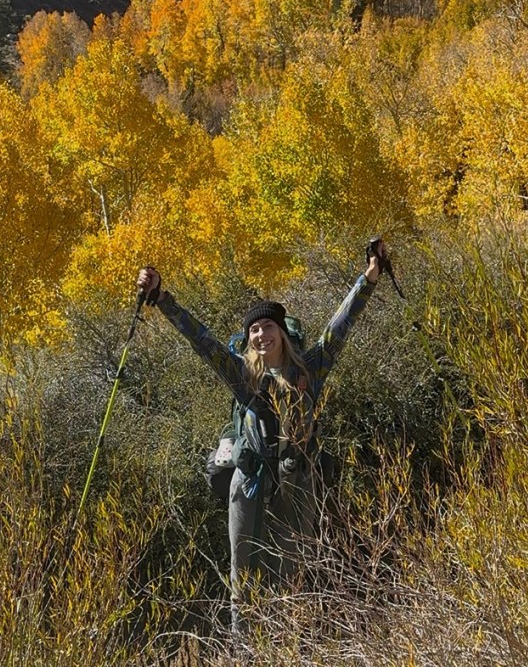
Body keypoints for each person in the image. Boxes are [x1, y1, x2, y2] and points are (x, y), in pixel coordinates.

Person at [136, 242, 385, 635]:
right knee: (243, 573)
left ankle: (290, 644)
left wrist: (369, 277)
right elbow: (203, 342)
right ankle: (244, 649)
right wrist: (163, 299)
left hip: (296, 478)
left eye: (268, 326)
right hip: (248, 478)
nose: (260, 334)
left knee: (292, 569)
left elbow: (341, 326)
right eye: (254, 329)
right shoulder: (244, 377)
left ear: (282, 333)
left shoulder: (311, 369)